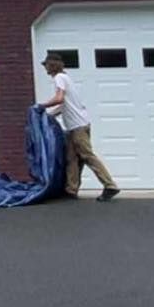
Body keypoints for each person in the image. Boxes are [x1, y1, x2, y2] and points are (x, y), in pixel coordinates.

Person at [38, 52, 119, 200]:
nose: (45, 68)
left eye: (47, 65)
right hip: (77, 125)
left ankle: (110, 186)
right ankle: (71, 190)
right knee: (72, 158)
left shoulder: (59, 78)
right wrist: (49, 115)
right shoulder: (66, 78)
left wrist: (41, 106)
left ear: (53, 65)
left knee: (87, 156)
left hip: (78, 126)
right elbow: (63, 105)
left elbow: (59, 98)